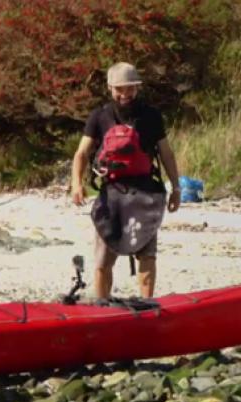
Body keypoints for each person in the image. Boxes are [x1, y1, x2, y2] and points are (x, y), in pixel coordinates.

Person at [70, 62, 180, 300]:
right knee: (102, 261)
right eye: (120, 89)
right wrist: (76, 184)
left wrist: (176, 187)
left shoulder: (151, 116)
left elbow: (166, 153)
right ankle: (102, 306)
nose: (125, 94)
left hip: (145, 192)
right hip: (111, 194)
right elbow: (81, 153)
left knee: (147, 255)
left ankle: (147, 303)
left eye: (130, 88)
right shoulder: (99, 116)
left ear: (137, 88)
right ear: (110, 88)